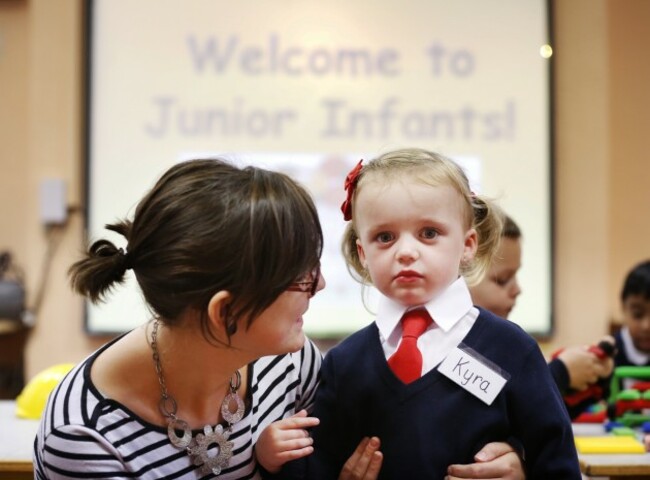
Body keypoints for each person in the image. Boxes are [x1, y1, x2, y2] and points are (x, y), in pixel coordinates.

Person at [33, 158, 377, 479]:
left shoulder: (288, 364)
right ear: (223, 312)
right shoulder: (86, 435)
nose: (319, 284)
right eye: (298, 276)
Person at [303, 148, 581, 479]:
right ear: (363, 252)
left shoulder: (512, 350)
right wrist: (271, 455)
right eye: (385, 237)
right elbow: (318, 465)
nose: (406, 252)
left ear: (467, 244)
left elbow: (557, 462)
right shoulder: (344, 363)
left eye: (429, 233)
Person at [468, 214, 615, 419]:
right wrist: (560, 374)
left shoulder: (502, 344)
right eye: (503, 279)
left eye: (515, 276)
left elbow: (539, 422)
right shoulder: (450, 349)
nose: (517, 289)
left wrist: (589, 383)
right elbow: (493, 411)